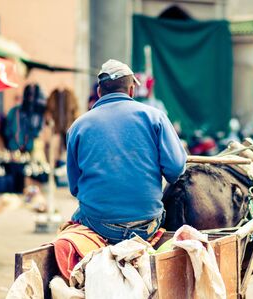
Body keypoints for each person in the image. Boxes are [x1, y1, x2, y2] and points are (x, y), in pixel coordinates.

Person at [67, 59, 187, 244]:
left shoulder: (78, 126)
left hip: (97, 224)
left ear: (99, 92)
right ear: (131, 90)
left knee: (76, 215)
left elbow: (75, 187)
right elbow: (175, 169)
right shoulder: (155, 117)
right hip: (147, 224)